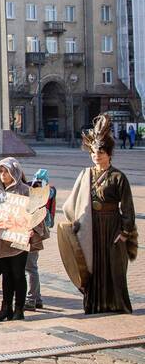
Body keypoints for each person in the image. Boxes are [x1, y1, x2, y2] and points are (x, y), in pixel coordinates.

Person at [62, 115, 137, 314]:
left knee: (114, 267)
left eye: (101, 152)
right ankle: (95, 304)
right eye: (94, 152)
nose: (97, 156)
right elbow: (74, 202)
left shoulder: (118, 177)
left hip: (112, 225)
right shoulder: (86, 175)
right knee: (92, 265)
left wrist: (124, 232)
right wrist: (76, 222)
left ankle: (116, 304)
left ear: (109, 154)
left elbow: (128, 209)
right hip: (91, 226)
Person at [0, 158, 32, 322]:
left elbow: (36, 214)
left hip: (18, 240)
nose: (3, 175)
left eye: (6, 171)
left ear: (14, 172)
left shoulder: (25, 191)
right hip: (0, 240)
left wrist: (32, 228)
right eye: (0, 172)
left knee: (18, 274)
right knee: (6, 275)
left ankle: (19, 308)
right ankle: (6, 308)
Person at [25, 170, 54, 310]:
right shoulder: (34, 190)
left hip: (34, 234)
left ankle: (31, 300)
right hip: (33, 233)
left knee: (30, 268)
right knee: (31, 267)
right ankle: (37, 299)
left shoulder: (43, 193)